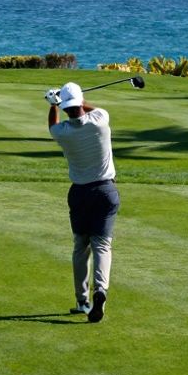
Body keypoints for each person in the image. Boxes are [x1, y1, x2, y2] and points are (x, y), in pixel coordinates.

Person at [45, 82, 119, 323]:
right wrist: (76, 100)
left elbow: (52, 125)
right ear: (81, 102)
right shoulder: (100, 120)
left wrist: (54, 104)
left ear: (65, 108)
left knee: (81, 246)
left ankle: (82, 301)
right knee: (102, 245)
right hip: (105, 191)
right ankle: (101, 291)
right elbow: (88, 108)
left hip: (79, 193)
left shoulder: (62, 133)